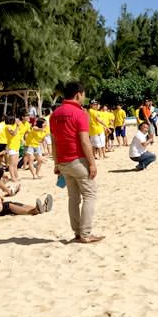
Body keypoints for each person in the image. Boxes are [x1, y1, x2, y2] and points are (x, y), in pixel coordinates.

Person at [50, 81, 103, 244]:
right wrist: (92, 163)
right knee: (89, 195)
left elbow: (54, 142)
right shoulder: (79, 113)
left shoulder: (55, 114)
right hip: (78, 160)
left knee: (73, 198)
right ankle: (86, 233)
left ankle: (77, 232)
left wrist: (56, 163)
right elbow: (85, 141)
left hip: (63, 162)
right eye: (84, 94)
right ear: (78, 94)